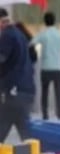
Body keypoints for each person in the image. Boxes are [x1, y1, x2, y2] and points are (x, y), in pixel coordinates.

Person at [0, 8, 35, 142]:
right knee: (26, 136)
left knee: (2, 129)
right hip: (25, 91)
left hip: (12, 93)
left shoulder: (7, 35)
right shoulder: (19, 34)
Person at [32, 11, 60, 121]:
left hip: (46, 67)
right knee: (58, 92)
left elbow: (32, 44)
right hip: (59, 67)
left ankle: (45, 115)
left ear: (45, 22)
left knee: (45, 92)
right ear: (55, 21)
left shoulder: (43, 34)